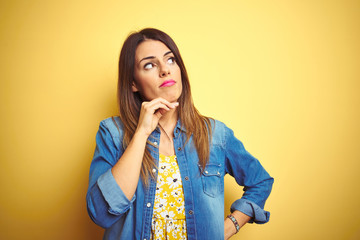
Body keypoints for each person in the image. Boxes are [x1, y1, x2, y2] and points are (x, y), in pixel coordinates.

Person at [86, 28, 274, 240]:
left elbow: (260, 181)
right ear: (133, 83)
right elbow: (101, 214)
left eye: (170, 60)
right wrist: (141, 133)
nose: (165, 70)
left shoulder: (215, 135)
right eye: (149, 65)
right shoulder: (112, 133)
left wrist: (229, 227)